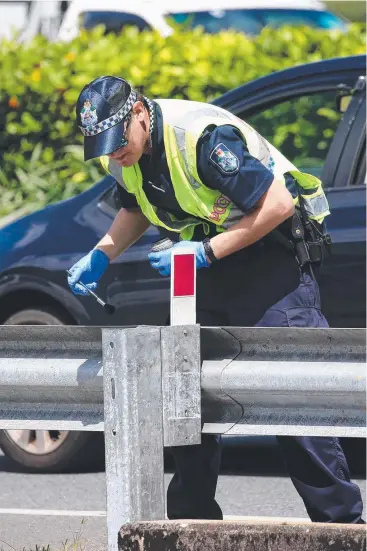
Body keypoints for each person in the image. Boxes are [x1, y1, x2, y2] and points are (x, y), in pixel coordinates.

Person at [68, 75, 364, 524]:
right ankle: (192, 524)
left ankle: (342, 525)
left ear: (140, 113)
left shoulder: (201, 139)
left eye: (117, 138)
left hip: (272, 260)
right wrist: (102, 254)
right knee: (186, 395)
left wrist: (205, 251)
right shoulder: (123, 155)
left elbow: (278, 205)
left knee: (292, 401)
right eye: (104, 145)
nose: (114, 152)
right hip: (206, 268)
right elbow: (133, 206)